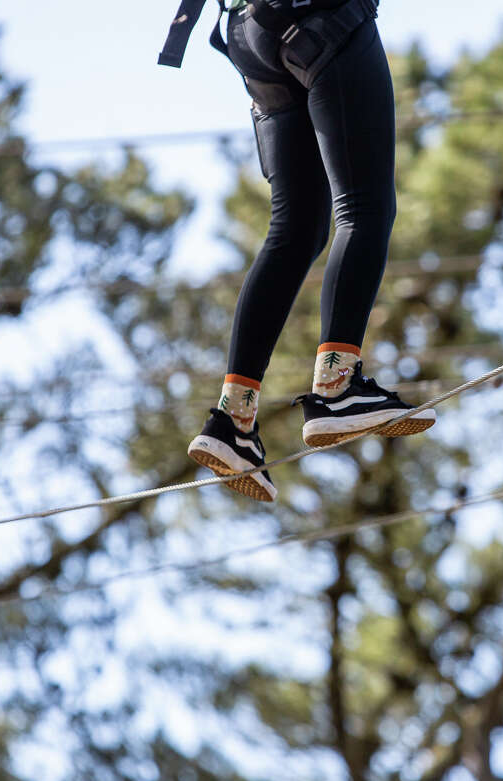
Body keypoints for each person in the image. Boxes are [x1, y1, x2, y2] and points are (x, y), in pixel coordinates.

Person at [162, 0, 435, 502]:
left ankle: (233, 420)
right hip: (320, 19)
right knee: (364, 208)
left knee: (296, 232)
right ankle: (338, 386)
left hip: (251, 36)